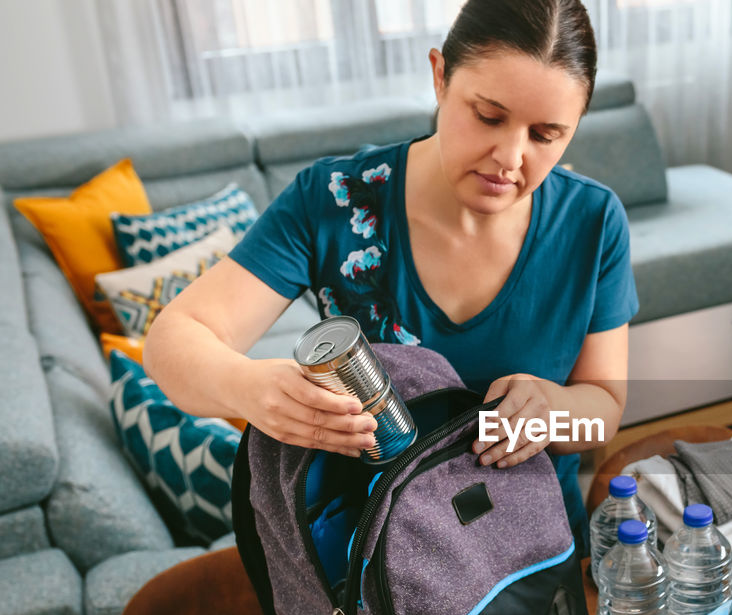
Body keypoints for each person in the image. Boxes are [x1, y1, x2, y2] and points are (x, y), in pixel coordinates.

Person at [146, 0, 636, 544]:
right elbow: (172, 340)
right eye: (489, 116)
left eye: (545, 135)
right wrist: (249, 389)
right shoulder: (332, 201)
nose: (510, 156)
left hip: (532, 561)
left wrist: (558, 412)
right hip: (377, 572)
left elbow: (604, 411)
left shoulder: (593, 222)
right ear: (440, 76)